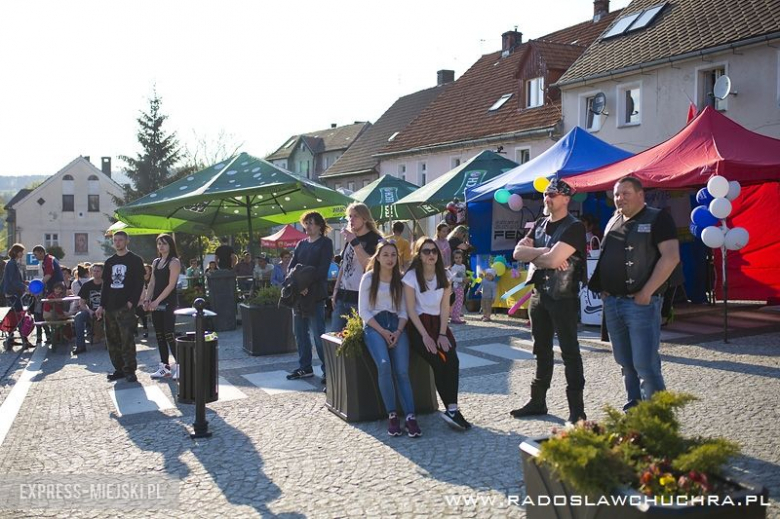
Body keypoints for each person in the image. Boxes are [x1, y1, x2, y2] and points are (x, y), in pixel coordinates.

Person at [588, 176, 679, 411]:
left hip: (640, 303)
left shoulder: (658, 218)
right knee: (625, 363)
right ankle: (634, 409)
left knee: (645, 364)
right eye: (617, 194)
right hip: (613, 302)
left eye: (626, 193)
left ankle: (658, 415)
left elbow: (671, 257)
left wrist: (647, 292)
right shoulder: (613, 220)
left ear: (641, 195)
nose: (620, 198)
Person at [510, 179, 588, 424]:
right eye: (545, 194)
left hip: (563, 296)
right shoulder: (540, 224)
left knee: (570, 352)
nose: (547, 198)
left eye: (552, 194)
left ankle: (577, 410)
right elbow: (517, 253)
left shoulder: (574, 226)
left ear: (566, 199)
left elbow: (555, 262)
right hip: (539, 295)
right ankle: (538, 401)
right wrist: (546, 252)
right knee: (540, 350)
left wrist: (541, 256)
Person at [403, 237, 471, 431]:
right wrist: (425, 336)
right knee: (437, 361)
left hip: (438, 324)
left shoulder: (445, 275)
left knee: (452, 360)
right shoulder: (410, 277)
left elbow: (444, 308)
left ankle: (453, 408)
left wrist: (442, 334)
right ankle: (450, 409)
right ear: (419, 255)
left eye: (434, 251)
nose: (431, 254)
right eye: (426, 251)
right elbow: (410, 310)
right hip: (418, 326)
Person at [359, 240, 421, 438]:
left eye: (393, 255)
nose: (390, 259)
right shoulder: (369, 278)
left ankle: (411, 416)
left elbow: (404, 310)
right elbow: (364, 311)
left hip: (397, 325)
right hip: (375, 325)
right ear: (377, 257)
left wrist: (398, 331)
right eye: (385, 254)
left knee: (402, 370)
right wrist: (383, 332)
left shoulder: (401, 280)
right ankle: (392, 414)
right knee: (384, 365)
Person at [286, 211, 334, 382]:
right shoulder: (301, 244)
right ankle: (305, 367)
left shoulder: (325, 243)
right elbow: (291, 268)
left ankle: (328, 370)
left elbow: (322, 270)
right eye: (306, 223)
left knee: (318, 334)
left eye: (311, 223)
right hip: (299, 295)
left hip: (315, 295)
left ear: (320, 226)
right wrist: (298, 286)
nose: (308, 226)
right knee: (299, 333)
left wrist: (306, 285)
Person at [96, 231, 146, 383]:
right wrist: (101, 305)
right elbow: (105, 285)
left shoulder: (135, 260)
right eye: (115, 240)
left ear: (127, 241)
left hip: (125, 306)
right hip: (109, 307)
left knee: (127, 340)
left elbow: (139, 283)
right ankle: (119, 369)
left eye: (120, 240)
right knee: (112, 339)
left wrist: (132, 302)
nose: (117, 243)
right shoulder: (110, 261)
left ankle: (130, 370)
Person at [330, 202, 382, 333]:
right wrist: (336, 290)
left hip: (360, 297)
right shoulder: (350, 237)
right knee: (335, 337)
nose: (351, 219)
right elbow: (344, 264)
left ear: (364, 218)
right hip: (342, 295)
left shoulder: (374, 239)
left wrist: (355, 243)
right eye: (350, 216)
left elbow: (368, 265)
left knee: (357, 340)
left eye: (355, 216)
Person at [143, 234, 181, 380]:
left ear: (170, 245)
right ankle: (164, 367)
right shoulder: (156, 262)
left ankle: (180, 366)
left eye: (164, 243)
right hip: (155, 302)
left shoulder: (174, 262)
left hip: (168, 302)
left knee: (169, 334)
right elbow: (152, 283)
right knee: (159, 335)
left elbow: (171, 285)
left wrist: (157, 301)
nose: (161, 246)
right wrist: (147, 299)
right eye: (159, 244)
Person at [1, 243, 33, 351]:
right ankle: (23, 339)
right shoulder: (11, 264)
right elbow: (12, 281)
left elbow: (15, 280)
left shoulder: (12, 263)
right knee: (19, 316)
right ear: (16, 252)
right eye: (21, 252)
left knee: (14, 316)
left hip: (12, 293)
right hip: (12, 294)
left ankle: (11, 338)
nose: (22, 254)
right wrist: (25, 287)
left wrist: (24, 282)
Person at [73, 263, 103, 354]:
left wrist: (103, 309)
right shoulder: (87, 285)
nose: (95, 273)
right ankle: (80, 346)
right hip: (90, 311)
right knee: (78, 317)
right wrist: (88, 310)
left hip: (105, 310)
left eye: (98, 271)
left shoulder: (108, 285)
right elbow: (82, 303)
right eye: (94, 271)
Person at [448, 250, 467, 324]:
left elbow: (464, 275)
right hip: (457, 287)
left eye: (460, 257)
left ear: (462, 258)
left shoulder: (463, 266)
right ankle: (455, 317)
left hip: (462, 287)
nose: (458, 259)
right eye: (456, 258)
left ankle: (455, 316)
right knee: (458, 302)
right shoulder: (454, 268)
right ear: (453, 259)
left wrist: (466, 279)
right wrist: (462, 279)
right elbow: (453, 278)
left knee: (460, 301)